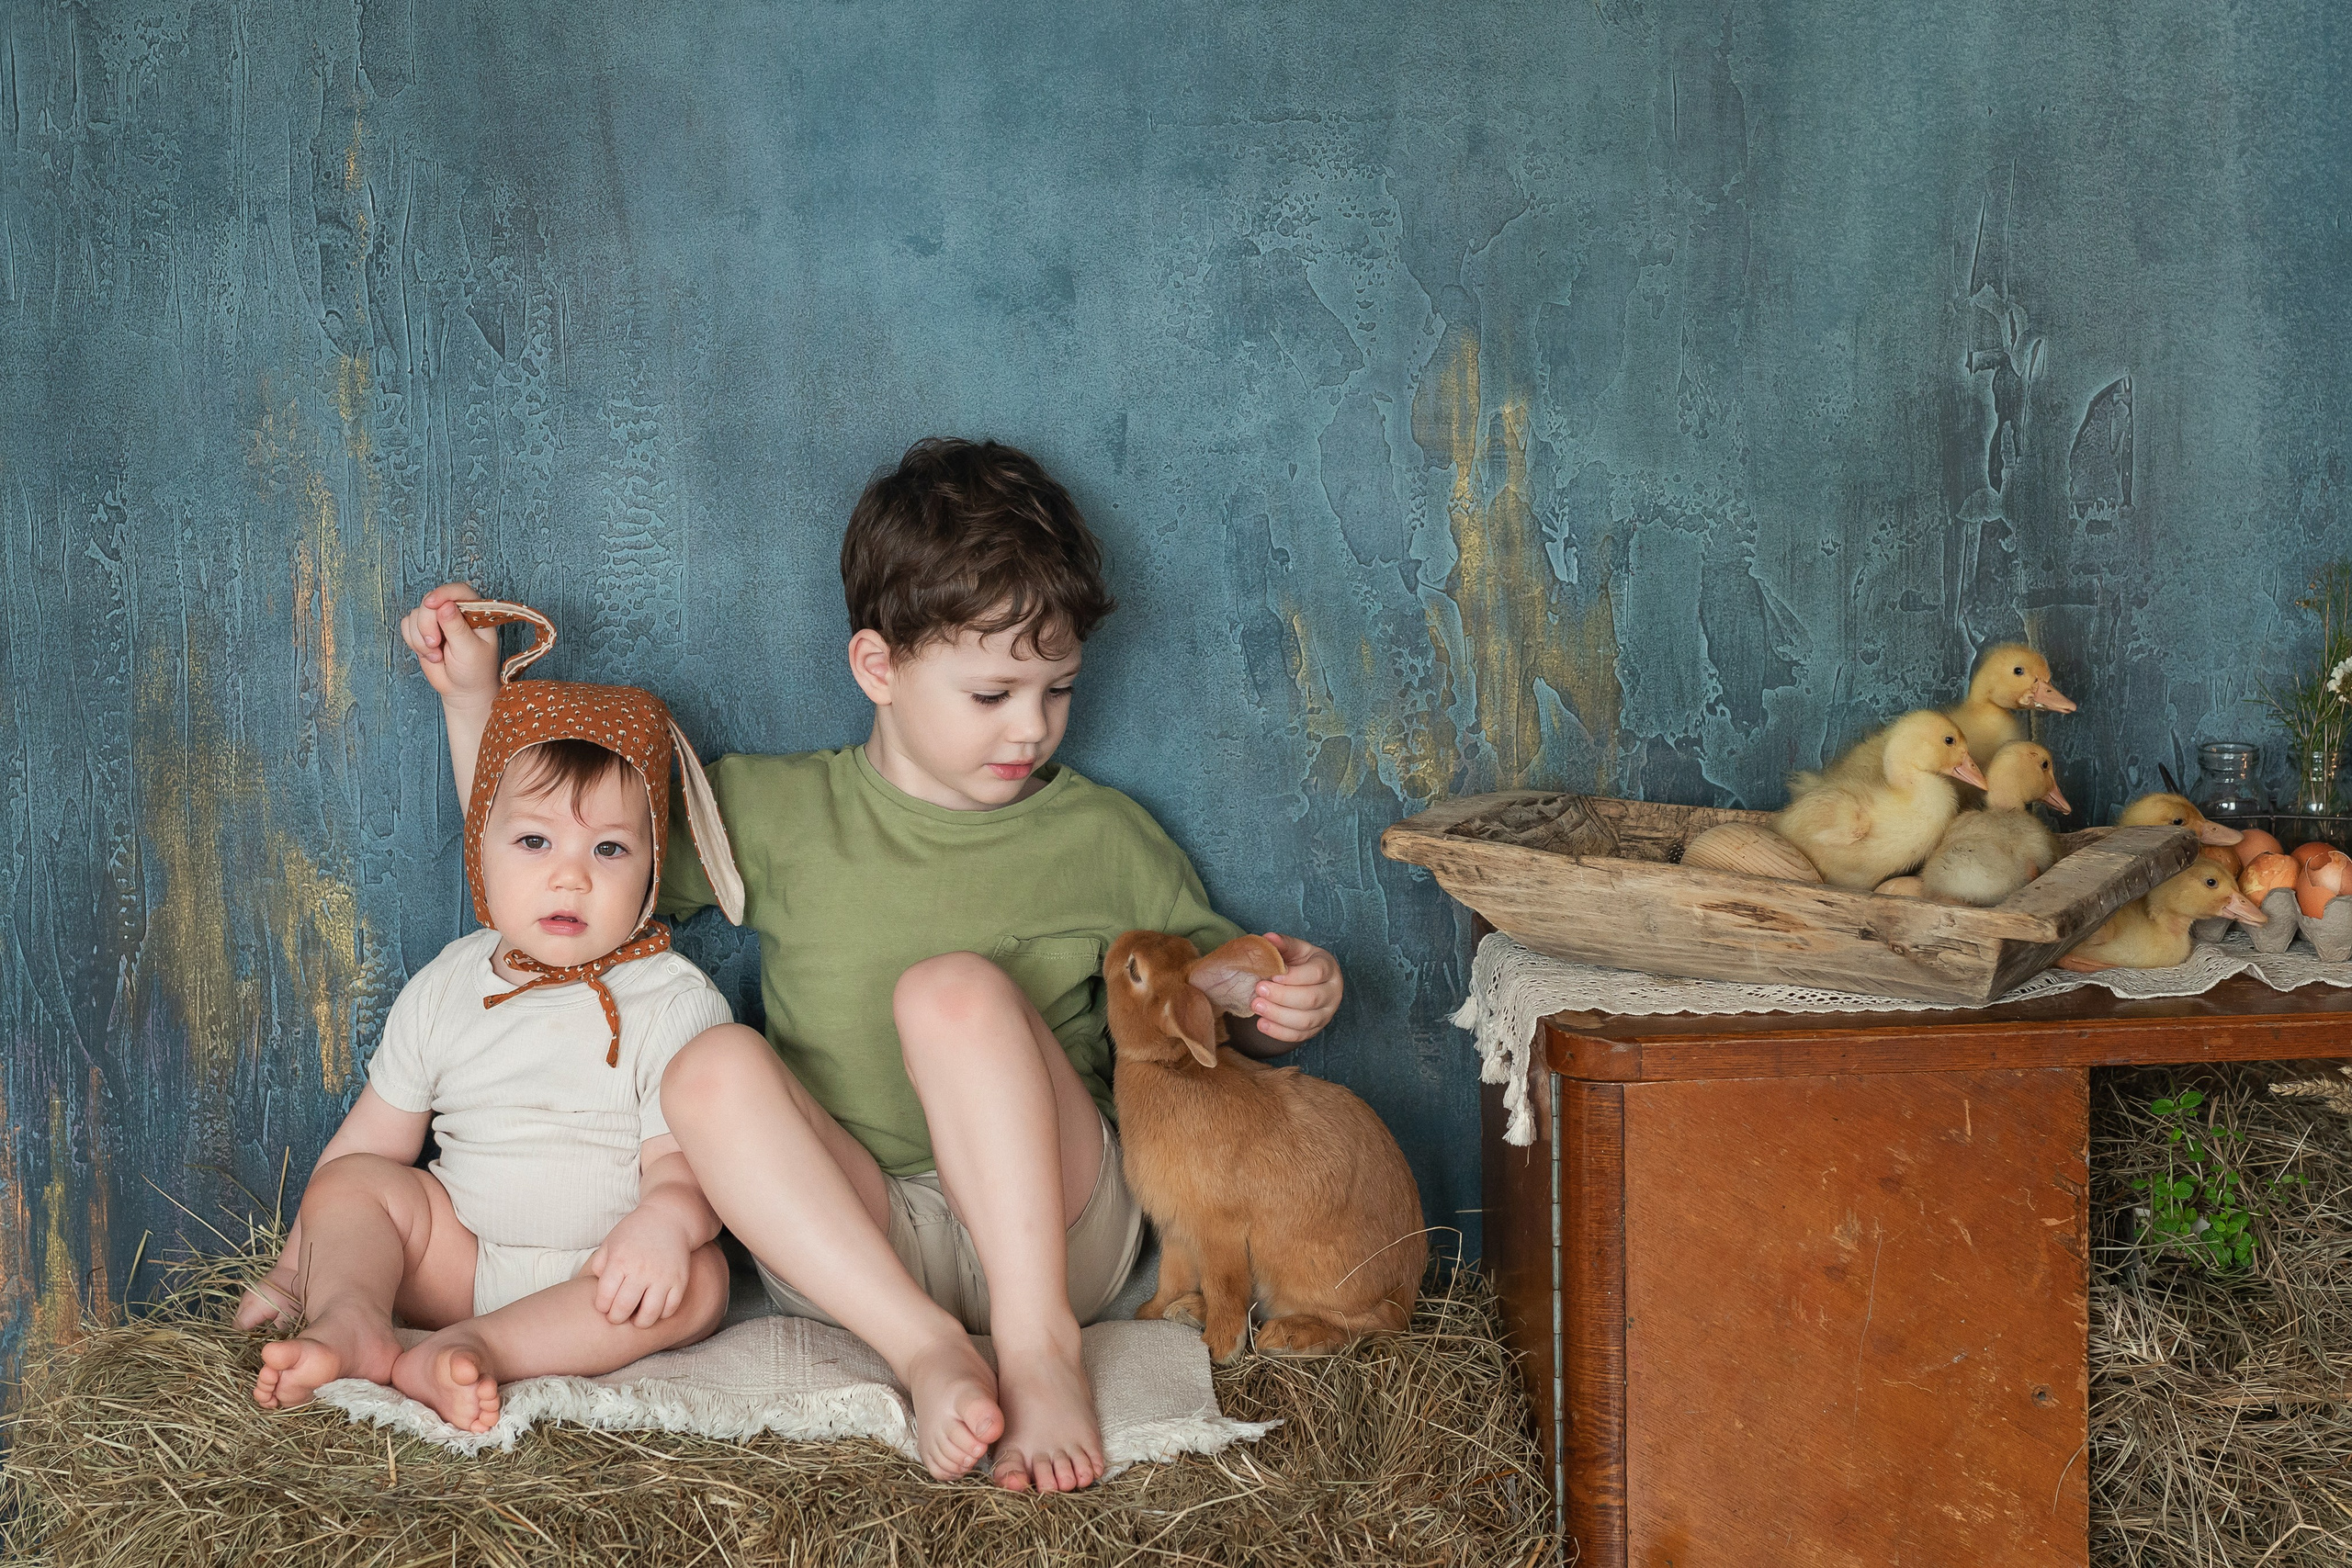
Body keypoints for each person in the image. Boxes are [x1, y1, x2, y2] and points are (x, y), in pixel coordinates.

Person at [400, 438, 1346, 1489]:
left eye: (1058, 690)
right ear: (878, 667)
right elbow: (546, 871)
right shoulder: (774, 810)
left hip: (1058, 1229)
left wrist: (1282, 994)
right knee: (708, 1069)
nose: (1031, 728)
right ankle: (925, 1351)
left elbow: (1206, 1000)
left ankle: (1036, 1351)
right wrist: (470, 704)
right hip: (850, 1245)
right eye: (992, 695)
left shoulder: (1104, 835)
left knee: (950, 992)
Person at [241, 610, 741, 1435]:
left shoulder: (672, 999)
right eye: (535, 841)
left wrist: (662, 1224)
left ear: (655, 866)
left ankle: (477, 1349)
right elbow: (369, 1147)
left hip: (602, 1280)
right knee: (356, 1184)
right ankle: (352, 1320)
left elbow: (685, 1172)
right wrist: (300, 1267)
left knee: (704, 1277)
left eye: (610, 850)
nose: (570, 878)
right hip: (459, 1256)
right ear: (482, 847)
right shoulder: (449, 985)